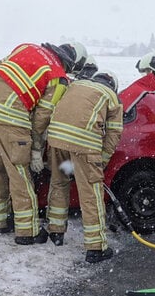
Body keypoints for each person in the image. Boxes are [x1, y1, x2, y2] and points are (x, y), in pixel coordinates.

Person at [0, 42, 82, 244]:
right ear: (69, 63)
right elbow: (42, 116)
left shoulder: (26, 47)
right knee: (20, 173)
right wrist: (36, 148)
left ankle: (0, 222)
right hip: (11, 117)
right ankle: (27, 231)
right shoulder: (58, 76)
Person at [45, 70, 124, 263]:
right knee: (90, 193)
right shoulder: (111, 96)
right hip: (85, 144)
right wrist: (102, 160)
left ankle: (56, 233)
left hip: (56, 139)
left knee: (59, 183)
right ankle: (96, 248)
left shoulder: (75, 86)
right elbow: (114, 134)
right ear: (112, 84)